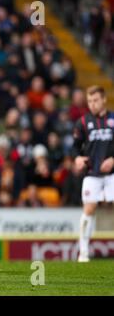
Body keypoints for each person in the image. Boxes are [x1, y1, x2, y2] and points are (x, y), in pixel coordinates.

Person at [72, 85, 114, 262]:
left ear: (104, 99)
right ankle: (83, 253)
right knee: (89, 208)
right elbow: (75, 148)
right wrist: (77, 159)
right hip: (92, 173)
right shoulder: (82, 122)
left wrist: (113, 159)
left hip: (113, 173)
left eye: (96, 100)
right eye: (89, 101)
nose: (92, 104)